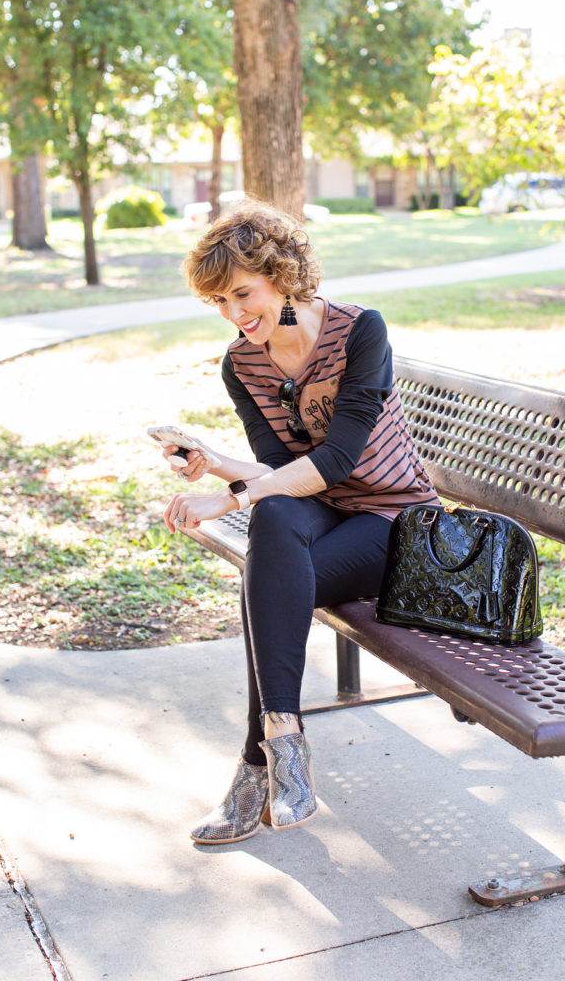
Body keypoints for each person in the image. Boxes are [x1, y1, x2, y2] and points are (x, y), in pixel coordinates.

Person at [161, 199, 438, 845]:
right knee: (277, 522)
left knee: (271, 575)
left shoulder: (359, 331)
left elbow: (338, 458)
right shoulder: (243, 364)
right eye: (220, 305)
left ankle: (257, 763)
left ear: (281, 274)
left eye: (243, 294)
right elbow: (282, 468)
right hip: (323, 512)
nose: (236, 316)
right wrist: (216, 466)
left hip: (396, 522)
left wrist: (226, 500)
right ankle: (284, 743)